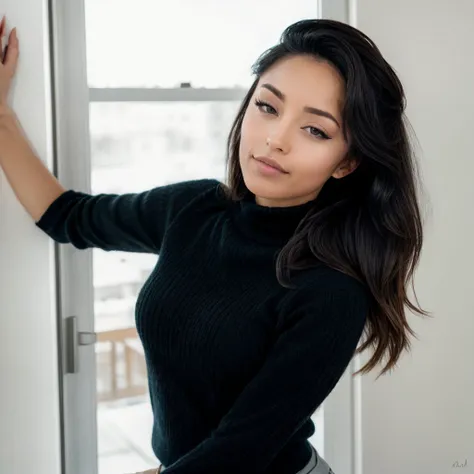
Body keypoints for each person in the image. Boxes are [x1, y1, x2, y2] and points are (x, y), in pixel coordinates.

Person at [0, 15, 429, 474]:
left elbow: (239, 449)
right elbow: (68, 216)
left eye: (315, 130)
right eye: (268, 106)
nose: (275, 139)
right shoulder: (195, 209)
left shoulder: (332, 288)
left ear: (346, 163)